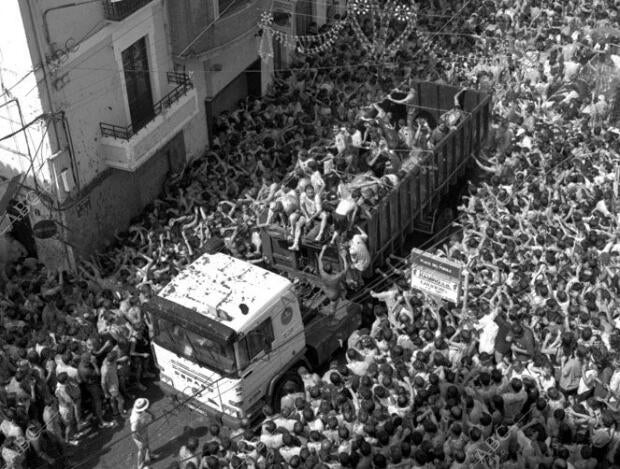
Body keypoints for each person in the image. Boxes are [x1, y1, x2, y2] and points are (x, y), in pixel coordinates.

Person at [318, 245, 349, 317]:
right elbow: (346, 269)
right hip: (333, 295)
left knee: (341, 287)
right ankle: (331, 317)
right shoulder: (336, 277)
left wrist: (323, 249)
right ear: (332, 270)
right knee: (333, 308)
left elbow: (319, 259)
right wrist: (344, 257)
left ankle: (343, 298)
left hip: (327, 290)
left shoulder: (322, 272)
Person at [130, 398, 156, 469]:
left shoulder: (141, 410)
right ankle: (139, 465)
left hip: (143, 429)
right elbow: (134, 431)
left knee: (147, 443)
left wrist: (152, 414)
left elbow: (146, 409)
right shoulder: (135, 419)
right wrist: (140, 439)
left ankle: (150, 455)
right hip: (138, 435)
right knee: (141, 449)